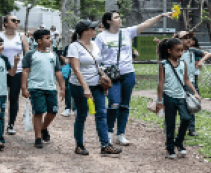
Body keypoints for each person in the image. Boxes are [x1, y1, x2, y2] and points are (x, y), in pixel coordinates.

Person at [96, 10, 172, 145]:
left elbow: (146, 24)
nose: (120, 19)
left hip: (128, 74)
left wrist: (161, 16)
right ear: (108, 21)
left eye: (119, 16)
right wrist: (100, 72)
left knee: (124, 105)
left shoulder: (127, 32)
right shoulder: (101, 37)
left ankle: (120, 134)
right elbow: (96, 57)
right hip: (111, 75)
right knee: (114, 103)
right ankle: (108, 133)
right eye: (116, 17)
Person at [68, 20, 122, 156]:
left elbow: (98, 65)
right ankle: (79, 145)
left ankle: (105, 145)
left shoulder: (95, 45)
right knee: (82, 114)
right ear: (85, 31)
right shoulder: (74, 46)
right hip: (79, 86)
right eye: (93, 27)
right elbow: (76, 69)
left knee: (101, 114)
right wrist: (85, 88)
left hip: (96, 84)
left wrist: (104, 81)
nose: (96, 29)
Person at [155, 38, 201, 159]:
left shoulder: (183, 63)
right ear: (169, 51)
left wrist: (195, 92)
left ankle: (179, 142)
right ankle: (170, 147)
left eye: (182, 51)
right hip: (168, 97)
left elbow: (186, 80)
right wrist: (159, 101)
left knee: (186, 118)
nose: (180, 53)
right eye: (177, 51)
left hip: (181, 96)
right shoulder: (163, 64)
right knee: (170, 123)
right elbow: (161, 83)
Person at [21, 28, 65, 148]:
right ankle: (38, 137)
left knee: (53, 111)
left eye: (50, 38)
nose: (50, 40)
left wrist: (62, 87)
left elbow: (58, 72)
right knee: (39, 112)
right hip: (35, 87)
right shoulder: (30, 54)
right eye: (47, 38)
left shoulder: (53, 55)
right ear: (39, 41)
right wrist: (24, 87)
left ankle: (44, 128)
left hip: (50, 87)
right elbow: (25, 71)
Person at [175, 31, 211, 137]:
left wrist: (201, 61)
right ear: (178, 40)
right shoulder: (174, 52)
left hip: (190, 82)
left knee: (192, 104)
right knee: (175, 105)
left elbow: (208, 54)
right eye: (185, 38)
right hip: (176, 83)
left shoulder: (193, 51)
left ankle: (191, 128)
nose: (188, 39)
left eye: (189, 37)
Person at [0, 15, 29, 135]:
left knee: (14, 98)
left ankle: (11, 124)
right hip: (1, 71)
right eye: (14, 20)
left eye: (18, 20)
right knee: (0, 97)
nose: (17, 23)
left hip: (17, 71)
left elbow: (27, 55)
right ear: (5, 23)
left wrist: (27, 73)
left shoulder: (21, 36)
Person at [60, 35, 76, 117]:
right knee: (68, 89)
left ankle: (76, 108)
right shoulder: (68, 47)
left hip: (81, 70)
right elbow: (63, 56)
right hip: (69, 70)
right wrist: (66, 60)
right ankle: (68, 108)